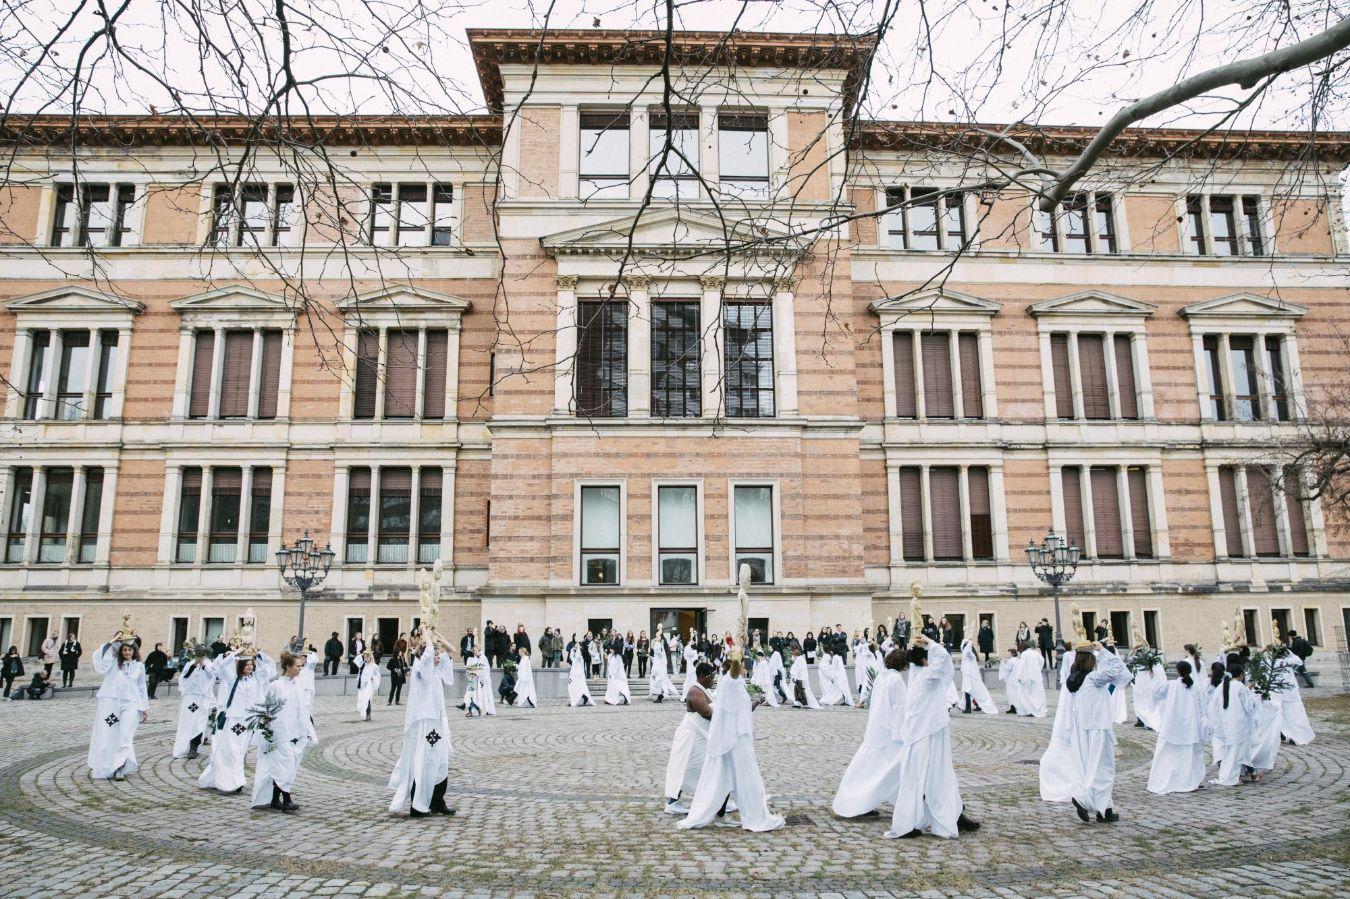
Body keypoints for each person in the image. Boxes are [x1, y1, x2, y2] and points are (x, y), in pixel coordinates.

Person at [885, 635, 980, 839]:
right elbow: (944, 659)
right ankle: (924, 819)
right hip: (927, 735)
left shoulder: (917, 677)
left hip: (920, 734)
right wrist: (931, 642)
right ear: (925, 660)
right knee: (933, 776)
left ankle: (946, 814)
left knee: (925, 778)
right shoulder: (927, 676)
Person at [678, 653, 784, 832]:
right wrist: (738, 647)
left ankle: (723, 814)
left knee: (728, 778)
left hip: (735, 737)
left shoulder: (734, 683)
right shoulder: (731, 681)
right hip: (734, 739)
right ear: (737, 666)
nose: (745, 668)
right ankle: (755, 817)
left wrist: (755, 701)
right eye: (743, 664)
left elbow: (740, 710)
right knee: (749, 778)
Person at [1054, 643, 1133, 823]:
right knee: (1103, 767)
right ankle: (1084, 799)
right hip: (1098, 727)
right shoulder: (1093, 678)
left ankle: (1104, 809)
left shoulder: (1073, 679)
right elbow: (1118, 670)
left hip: (1082, 729)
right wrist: (1103, 650)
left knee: (1091, 767)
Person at [832, 648, 909, 818]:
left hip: (876, 728)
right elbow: (899, 708)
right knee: (890, 770)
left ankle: (861, 800)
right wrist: (902, 733)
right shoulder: (896, 679)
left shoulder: (882, 677)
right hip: (890, 734)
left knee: (868, 769)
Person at [388, 633, 457, 817]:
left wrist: (438, 637)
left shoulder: (435, 670)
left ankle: (437, 801)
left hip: (438, 721)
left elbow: (452, 651)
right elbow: (425, 655)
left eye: (437, 655)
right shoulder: (421, 670)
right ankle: (417, 805)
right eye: (435, 655)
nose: (437, 657)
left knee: (441, 761)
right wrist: (426, 634)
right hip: (425, 723)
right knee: (424, 761)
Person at [197, 650, 275, 793]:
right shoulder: (233, 678)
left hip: (249, 721)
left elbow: (270, 669)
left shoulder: (255, 679)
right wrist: (233, 654)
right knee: (233, 750)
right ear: (240, 666)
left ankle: (236, 780)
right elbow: (220, 667)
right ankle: (231, 781)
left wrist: (260, 654)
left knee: (241, 751)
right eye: (246, 664)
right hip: (234, 719)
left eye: (251, 664)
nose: (250, 667)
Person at [250, 650, 315, 813]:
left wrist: (306, 727)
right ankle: (287, 799)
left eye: (301, 666)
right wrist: (270, 732)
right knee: (285, 764)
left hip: (295, 731)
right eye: (298, 666)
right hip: (279, 732)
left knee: (290, 765)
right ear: (288, 666)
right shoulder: (276, 686)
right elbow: (269, 710)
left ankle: (274, 799)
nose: (300, 669)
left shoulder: (298, 685)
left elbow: (302, 708)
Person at [87, 637, 149, 780]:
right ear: (120, 651)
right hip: (113, 703)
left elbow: (142, 687)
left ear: (134, 651)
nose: (127, 652)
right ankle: (110, 763)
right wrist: (112, 641)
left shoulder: (139, 666)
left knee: (125, 734)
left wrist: (145, 707)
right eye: (125, 650)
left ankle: (120, 766)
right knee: (111, 733)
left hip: (132, 703)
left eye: (130, 650)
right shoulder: (114, 664)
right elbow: (101, 660)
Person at [1146, 660, 1206, 795]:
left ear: (1178, 671)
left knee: (1171, 753)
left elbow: (1156, 694)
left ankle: (1175, 778)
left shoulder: (1172, 685)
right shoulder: (1195, 687)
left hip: (1173, 725)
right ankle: (1191, 779)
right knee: (1190, 755)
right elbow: (1202, 707)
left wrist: (1152, 678)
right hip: (1190, 726)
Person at [665, 662, 716, 815]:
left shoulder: (702, 690)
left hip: (699, 736)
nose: (713, 680)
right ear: (702, 677)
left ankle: (714, 799)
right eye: (711, 677)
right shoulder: (695, 692)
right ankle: (672, 803)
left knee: (701, 768)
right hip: (690, 738)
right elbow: (707, 714)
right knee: (684, 768)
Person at [1207, 658, 1259, 786]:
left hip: (1223, 723)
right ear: (1241, 675)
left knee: (1232, 751)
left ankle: (1249, 772)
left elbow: (1213, 705)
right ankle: (1230, 777)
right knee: (1235, 752)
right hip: (1238, 723)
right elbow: (1248, 706)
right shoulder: (1240, 687)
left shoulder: (1222, 686)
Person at [172, 645, 215, 759]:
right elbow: (184, 678)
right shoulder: (190, 664)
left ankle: (193, 748)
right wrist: (194, 665)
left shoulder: (210, 665)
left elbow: (212, 677)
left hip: (203, 697)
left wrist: (203, 665)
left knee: (199, 723)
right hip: (190, 698)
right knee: (187, 722)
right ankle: (183, 746)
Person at [1272, 645, 1315, 745]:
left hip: (1279, 695)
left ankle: (1282, 733)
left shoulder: (1273, 663)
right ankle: (1293, 735)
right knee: (1294, 716)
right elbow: (1298, 660)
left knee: (1279, 715)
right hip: (1291, 696)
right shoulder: (1290, 661)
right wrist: (1286, 650)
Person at [960, 639, 998, 714]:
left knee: (969, 691)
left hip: (970, 676)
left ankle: (968, 708)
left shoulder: (970, 655)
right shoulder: (966, 655)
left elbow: (967, 651)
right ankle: (971, 706)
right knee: (967, 691)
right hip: (967, 675)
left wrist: (969, 643)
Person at [1015, 641, 1048, 717]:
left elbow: (1022, 666)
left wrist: (1019, 676)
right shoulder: (1036, 653)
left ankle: (1029, 710)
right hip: (1036, 677)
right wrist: (1037, 670)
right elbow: (1042, 661)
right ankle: (1037, 709)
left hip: (1026, 678)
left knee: (1026, 695)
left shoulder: (1024, 654)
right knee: (1037, 695)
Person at [649, 632, 680, 703]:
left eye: (659, 637)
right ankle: (660, 695)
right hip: (658, 666)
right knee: (657, 681)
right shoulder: (658, 645)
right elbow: (657, 655)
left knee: (659, 681)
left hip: (659, 667)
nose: (657, 638)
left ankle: (661, 695)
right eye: (657, 637)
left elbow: (660, 655)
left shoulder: (659, 646)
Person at [355, 649, 381, 721]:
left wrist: (373, 678)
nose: (367, 659)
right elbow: (357, 660)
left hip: (369, 686)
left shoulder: (374, 666)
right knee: (362, 698)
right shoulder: (363, 665)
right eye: (365, 657)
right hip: (363, 685)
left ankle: (368, 714)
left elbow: (378, 675)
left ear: (371, 658)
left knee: (367, 699)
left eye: (368, 657)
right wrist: (363, 653)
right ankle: (365, 713)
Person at [567, 641, 593, 707]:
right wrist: (573, 652)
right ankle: (573, 700)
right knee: (572, 687)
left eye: (577, 645)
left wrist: (577, 652)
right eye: (575, 645)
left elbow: (579, 662)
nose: (575, 646)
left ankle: (583, 698)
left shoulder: (580, 655)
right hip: (573, 673)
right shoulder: (573, 652)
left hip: (578, 674)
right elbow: (572, 660)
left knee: (579, 686)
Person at [998, 648, 1021, 714]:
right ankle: (1013, 707)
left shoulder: (1011, 661)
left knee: (1011, 694)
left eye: (1009, 653)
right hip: (1016, 679)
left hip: (1011, 680)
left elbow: (1007, 669)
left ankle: (1013, 708)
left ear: (1012, 653)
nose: (1008, 654)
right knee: (1015, 693)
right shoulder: (1018, 660)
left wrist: (1002, 663)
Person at [387, 640, 409, 705]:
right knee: (393, 689)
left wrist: (406, 670)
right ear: (397, 652)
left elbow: (404, 666)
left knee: (399, 689)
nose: (401, 653)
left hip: (401, 676)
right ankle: (389, 701)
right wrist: (394, 669)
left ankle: (397, 701)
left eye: (401, 652)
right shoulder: (392, 659)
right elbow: (388, 666)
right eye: (399, 652)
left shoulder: (402, 659)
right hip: (394, 677)